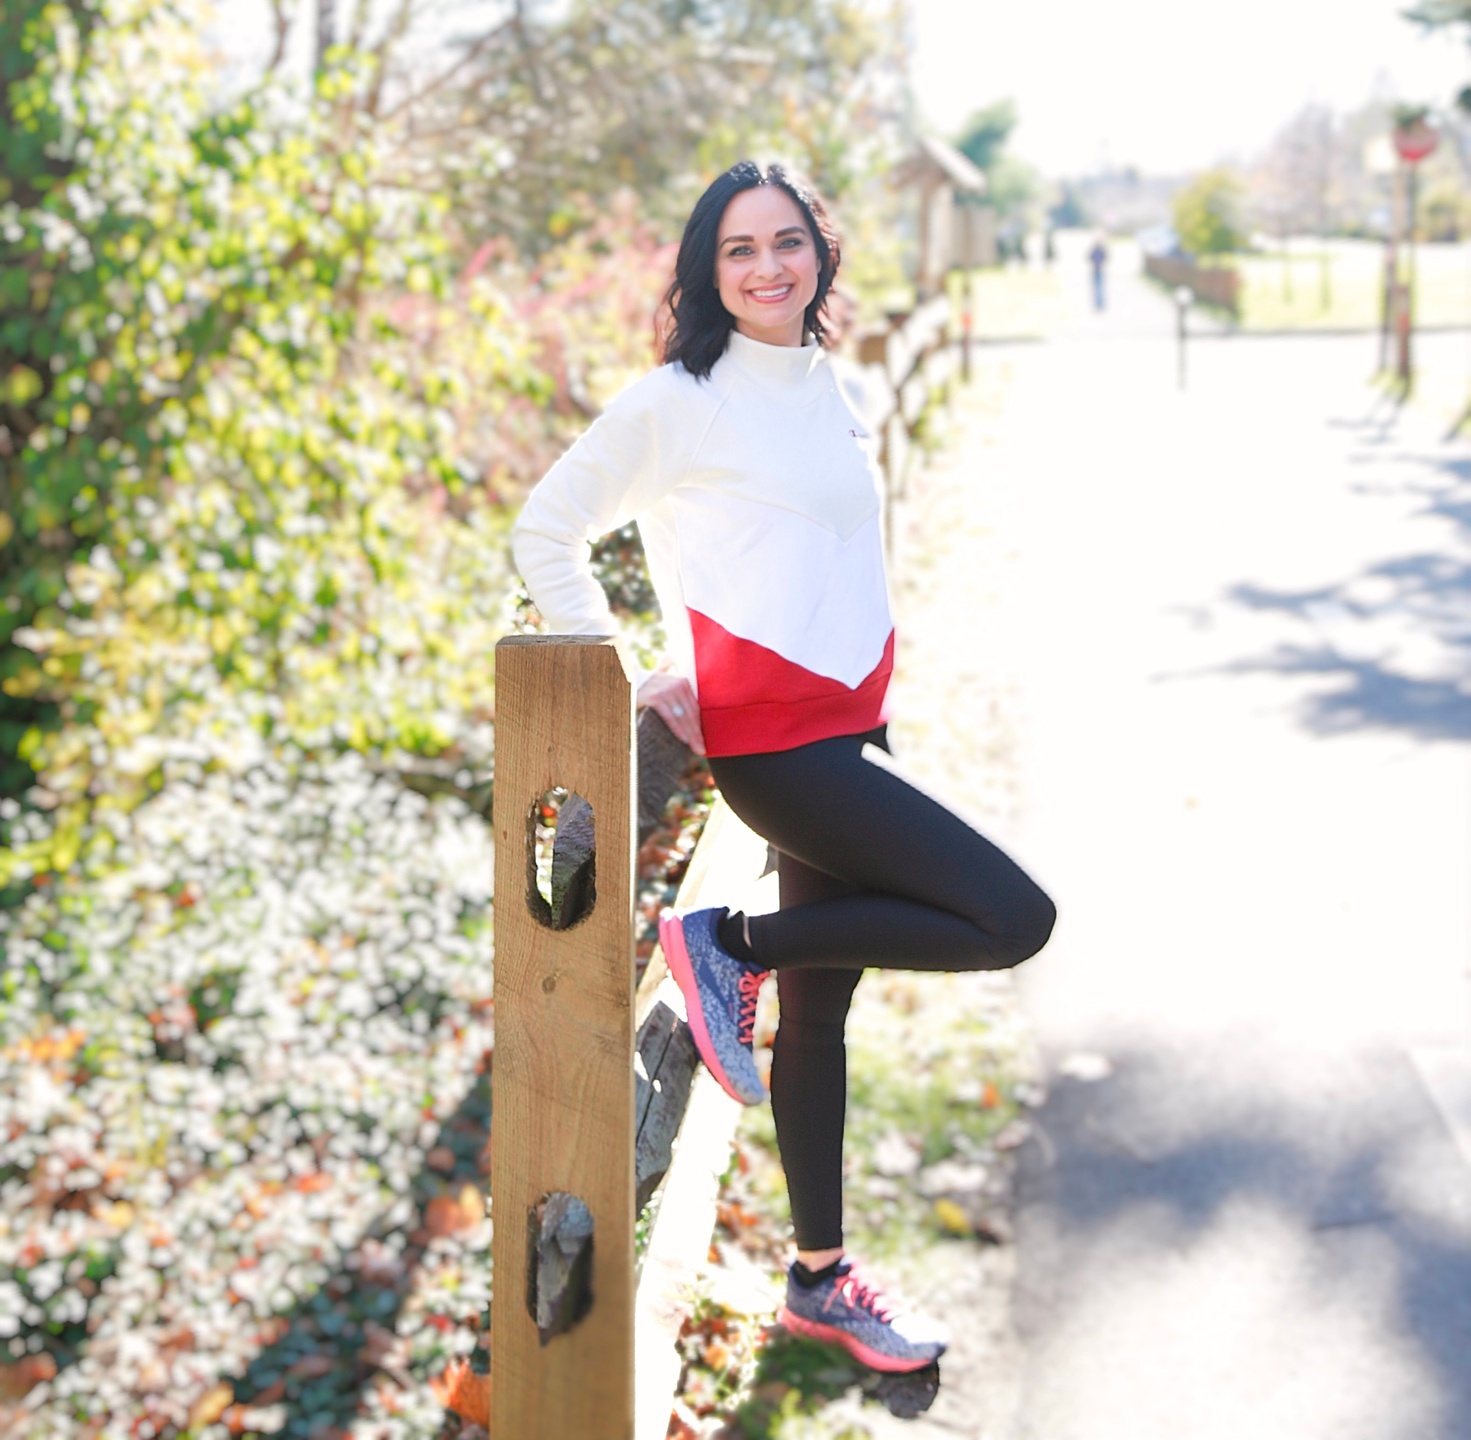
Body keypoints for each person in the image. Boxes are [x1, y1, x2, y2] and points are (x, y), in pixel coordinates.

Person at [512, 160, 1056, 1375]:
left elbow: (786, 554)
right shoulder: (678, 402)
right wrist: (621, 666)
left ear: (820, 251)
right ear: (707, 272)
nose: (768, 267)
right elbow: (547, 528)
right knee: (1012, 918)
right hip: (780, 748)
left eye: (787, 241)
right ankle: (727, 945)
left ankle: (818, 1280)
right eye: (739, 249)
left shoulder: (823, 380)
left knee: (819, 1018)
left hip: (852, 728)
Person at [1088, 232, 1109, 311]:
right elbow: (1106, 257)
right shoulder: (1102, 250)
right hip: (1100, 269)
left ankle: (1098, 302)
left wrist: (1094, 262)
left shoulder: (1094, 249)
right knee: (1100, 286)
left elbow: (1089, 257)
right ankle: (1100, 302)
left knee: (1097, 286)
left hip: (1095, 269)